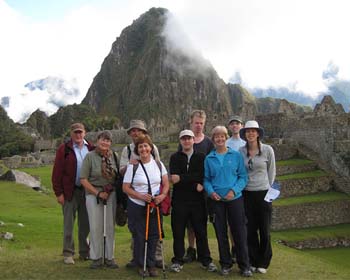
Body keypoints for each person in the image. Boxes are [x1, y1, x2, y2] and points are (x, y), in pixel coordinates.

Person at [204, 126, 252, 277]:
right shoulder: (209, 158)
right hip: (217, 201)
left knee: (239, 231)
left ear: (226, 137)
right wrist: (211, 192)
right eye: (216, 137)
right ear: (213, 140)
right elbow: (206, 179)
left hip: (235, 199)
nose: (219, 139)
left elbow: (243, 177)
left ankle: (244, 265)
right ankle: (225, 263)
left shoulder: (235, 155)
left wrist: (234, 191)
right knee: (221, 232)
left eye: (222, 136)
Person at [169, 130, 217, 273]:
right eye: (184, 139)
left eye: (189, 138)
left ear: (193, 140)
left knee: (201, 231)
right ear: (180, 141)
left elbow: (202, 175)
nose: (186, 141)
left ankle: (206, 260)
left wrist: (184, 178)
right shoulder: (175, 157)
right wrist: (194, 180)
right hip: (179, 200)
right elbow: (175, 178)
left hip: (197, 201)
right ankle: (178, 260)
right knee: (178, 232)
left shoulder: (201, 157)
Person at [122, 134, 170, 277]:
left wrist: (162, 196)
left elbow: (166, 183)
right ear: (137, 150)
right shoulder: (133, 167)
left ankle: (151, 264)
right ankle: (140, 264)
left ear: (151, 148)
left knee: (154, 235)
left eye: (146, 146)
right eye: (140, 146)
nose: (143, 149)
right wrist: (140, 196)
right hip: (137, 204)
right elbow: (126, 187)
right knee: (139, 235)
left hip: (154, 204)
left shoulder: (158, 164)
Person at [119, 119, 162, 269]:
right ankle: (137, 259)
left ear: (144, 133)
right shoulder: (127, 150)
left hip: (152, 197)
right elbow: (122, 170)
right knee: (137, 231)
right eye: (133, 130)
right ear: (130, 133)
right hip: (135, 194)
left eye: (139, 130)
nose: (135, 132)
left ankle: (155, 258)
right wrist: (132, 165)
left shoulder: (153, 148)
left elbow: (157, 167)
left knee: (154, 230)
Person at [52, 123, 93, 264]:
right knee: (68, 223)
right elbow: (57, 173)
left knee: (85, 223)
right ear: (71, 133)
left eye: (80, 132)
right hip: (70, 191)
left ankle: (84, 252)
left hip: (87, 192)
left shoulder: (91, 148)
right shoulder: (65, 150)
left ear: (85, 133)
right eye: (75, 132)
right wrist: (59, 193)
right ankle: (68, 253)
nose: (78, 135)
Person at [239, 120, 276, 274]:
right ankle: (253, 260)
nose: (251, 133)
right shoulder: (241, 151)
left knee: (265, 229)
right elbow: (240, 171)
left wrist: (269, 191)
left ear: (258, 133)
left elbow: (272, 172)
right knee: (251, 229)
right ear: (245, 134)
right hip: (247, 193)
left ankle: (264, 261)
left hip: (263, 193)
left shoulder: (267, 150)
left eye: (253, 131)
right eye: (248, 131)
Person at [80, 131, 118, 269]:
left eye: (108, 140)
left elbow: (117, 175)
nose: (105, 143)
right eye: (103, 140)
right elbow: (83, 179)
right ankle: (96, 257)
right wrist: (97, 193)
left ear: (110, 143)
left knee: (109, 227)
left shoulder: (114, 156)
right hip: (93, 194)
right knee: (96, 226)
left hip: (110, 194)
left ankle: (109, 257)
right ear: (97, 141)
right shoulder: (89, 157)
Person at [183, 109, 214, 263]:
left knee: (201, 222)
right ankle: (191, 249)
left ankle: (203, 251)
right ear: (191, 122)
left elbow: (212, 166)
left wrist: (204, 183)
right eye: (196, 123)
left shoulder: (208, 143)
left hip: (203, 190)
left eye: (201, 123)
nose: (199, 126)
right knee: (189, 223)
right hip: (188, 190)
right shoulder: (186, 140)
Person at [225, 115, 245, 263]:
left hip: (245, 185)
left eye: (237, 123)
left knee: (244, 221)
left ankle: (244, 247)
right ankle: (234, 247)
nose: (235, 126)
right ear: (230, 127)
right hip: (231, 185)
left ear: (241, 126)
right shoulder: (226, 143)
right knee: (231, 222)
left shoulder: (246, 144)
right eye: (232, 124)